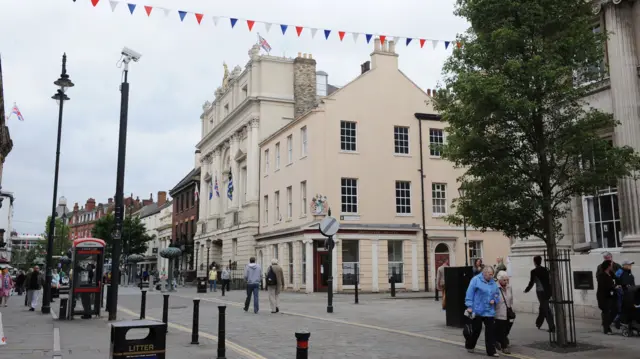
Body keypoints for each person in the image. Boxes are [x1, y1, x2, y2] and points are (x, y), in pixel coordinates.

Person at [464, 266, 500, 357]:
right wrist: (469, 306)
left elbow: (496, 293)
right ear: (484, 273)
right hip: (478, 310)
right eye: (490, 274)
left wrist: (494, 300)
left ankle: (491, 351)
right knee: (477, 330)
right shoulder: (476, 280)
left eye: (492, 274)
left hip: (489, 311)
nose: (492, 276)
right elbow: (470, 293)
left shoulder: (493, 282)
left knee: (490, 331)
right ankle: (470, 345)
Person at [523, 255, 555, 332]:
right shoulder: (546, 270)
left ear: (534, 262)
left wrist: (526, 290)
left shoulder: (534, 271)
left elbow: (531, 282)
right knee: (543, 307)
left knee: (545, 308)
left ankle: (552, 327)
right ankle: (539, 323)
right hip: (548, 291)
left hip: (540, 292)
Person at [494, 271, 514, 355]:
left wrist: (511, 308)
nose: (506, 282)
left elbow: (511, 298)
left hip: (508, 311)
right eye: (504, 280)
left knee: (507, 328)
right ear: (499, 280)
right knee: (502, 329)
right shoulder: (495, 287)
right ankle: (504, 347)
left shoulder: (509, 287)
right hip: (499, 311)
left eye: (507, 280)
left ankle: (497, 340)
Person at [597, 259, 617, 334]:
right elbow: (604, 287)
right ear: (608, 266)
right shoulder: (602, 275)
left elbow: (616, 280)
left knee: (613, 310)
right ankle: (606, 328)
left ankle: (607, 324)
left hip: (610, 296)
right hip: (603, 297)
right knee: (606, 312)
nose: (612, 266)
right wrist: (613, 287)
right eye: (611, 265)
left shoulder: (611, 274)